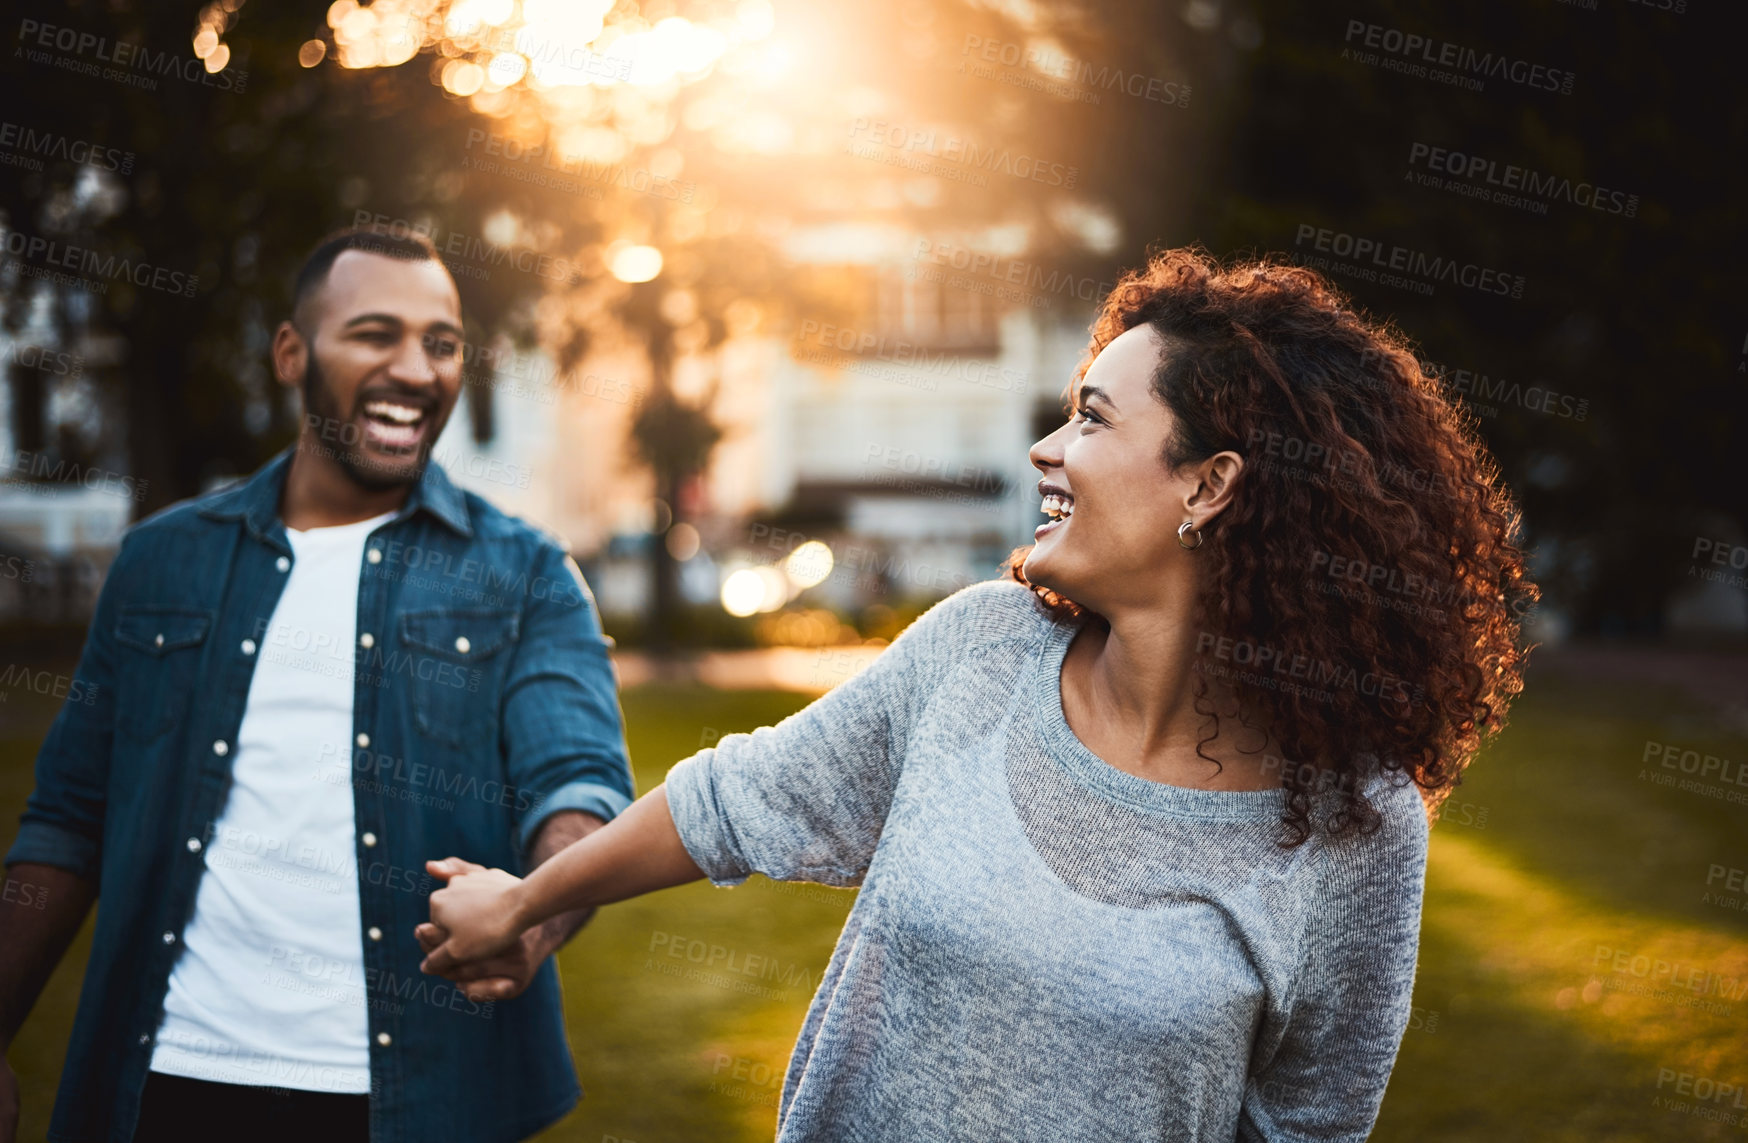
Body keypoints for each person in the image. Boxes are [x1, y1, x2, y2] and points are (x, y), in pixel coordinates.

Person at [418, 247, 1537, 1141]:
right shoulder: (978, 653)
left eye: (1094, 420)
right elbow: (732, 797)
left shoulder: (1353, 823)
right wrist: (526, 905)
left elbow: (1306, 1127)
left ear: (1208, 484)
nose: (1047, 450)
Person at [0, 227, 635, 1143]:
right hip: (167, 1084)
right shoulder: (159, 562)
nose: (417, 370)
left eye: (442, 342)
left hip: (417, 1102)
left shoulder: (527, 573)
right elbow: (67, 817)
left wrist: (529, 921)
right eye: (376, 333)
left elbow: (580, 786)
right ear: (292, 353)